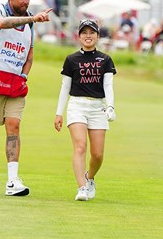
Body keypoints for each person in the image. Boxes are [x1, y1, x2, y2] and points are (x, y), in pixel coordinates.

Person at [0, 0, 52, 197]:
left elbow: (29, 56)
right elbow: (1, 24)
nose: (26, 2)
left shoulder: (29, 23)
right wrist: (33, 18)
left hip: (16, 83)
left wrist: (23, 76)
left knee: (14, 126)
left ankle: (12, 181)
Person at [54, 19, 116, 201]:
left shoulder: (105, 60)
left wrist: (110, 106)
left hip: (97, 107)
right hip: (77, 106)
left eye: (92, 33)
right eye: (84, 33)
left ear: (97, 36)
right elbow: (65, 87)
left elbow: (108, 85)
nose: (88, 36)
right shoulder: (71, 59)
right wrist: (59, 112)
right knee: (80, 146)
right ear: (79, 36)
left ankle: (89, 178)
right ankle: (81, 187)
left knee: (97, 154)